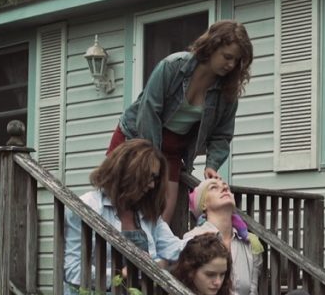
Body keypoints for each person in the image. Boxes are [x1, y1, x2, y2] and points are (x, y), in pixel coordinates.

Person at [108, 20, 254, 223]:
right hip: (135, 137)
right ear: (212, 46)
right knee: (118, 206)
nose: (230, 65)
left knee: (162, 216)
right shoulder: (172, 67)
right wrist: (151, 161)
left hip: (173, 149)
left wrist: (212, 164)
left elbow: (221, 134)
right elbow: (149, 111)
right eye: (227, 57)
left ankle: (152, 255)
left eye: (236, 60)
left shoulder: (227, 93)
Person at [185, 178, 311, 295]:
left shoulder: (248, 243)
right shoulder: (193, 240)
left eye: (225, 186)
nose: (224, 187)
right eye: (214, 187)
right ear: (203, 204)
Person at [63, 139, 184, 295]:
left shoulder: (147, 214)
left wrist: (209, 240)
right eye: (149, 177)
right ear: (128, 173)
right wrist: (120, 275)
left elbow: (175, 249)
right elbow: (73, 271)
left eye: (155, 179)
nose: (152, 185)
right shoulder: (86, 208)